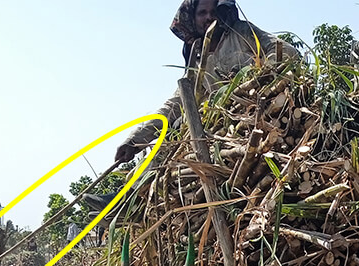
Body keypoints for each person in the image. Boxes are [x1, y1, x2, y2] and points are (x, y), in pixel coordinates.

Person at [114, 0, 298, 164]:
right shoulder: (195, 56)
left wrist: (260, 76)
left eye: (213, 12)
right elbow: (177, 104)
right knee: (173, 134)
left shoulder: (241, 32)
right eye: (202, 13)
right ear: (191, 18)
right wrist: (135, 140)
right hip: (219, 127)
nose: (209, 17)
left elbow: (286, 51)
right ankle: (128, 193)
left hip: (256, 112)